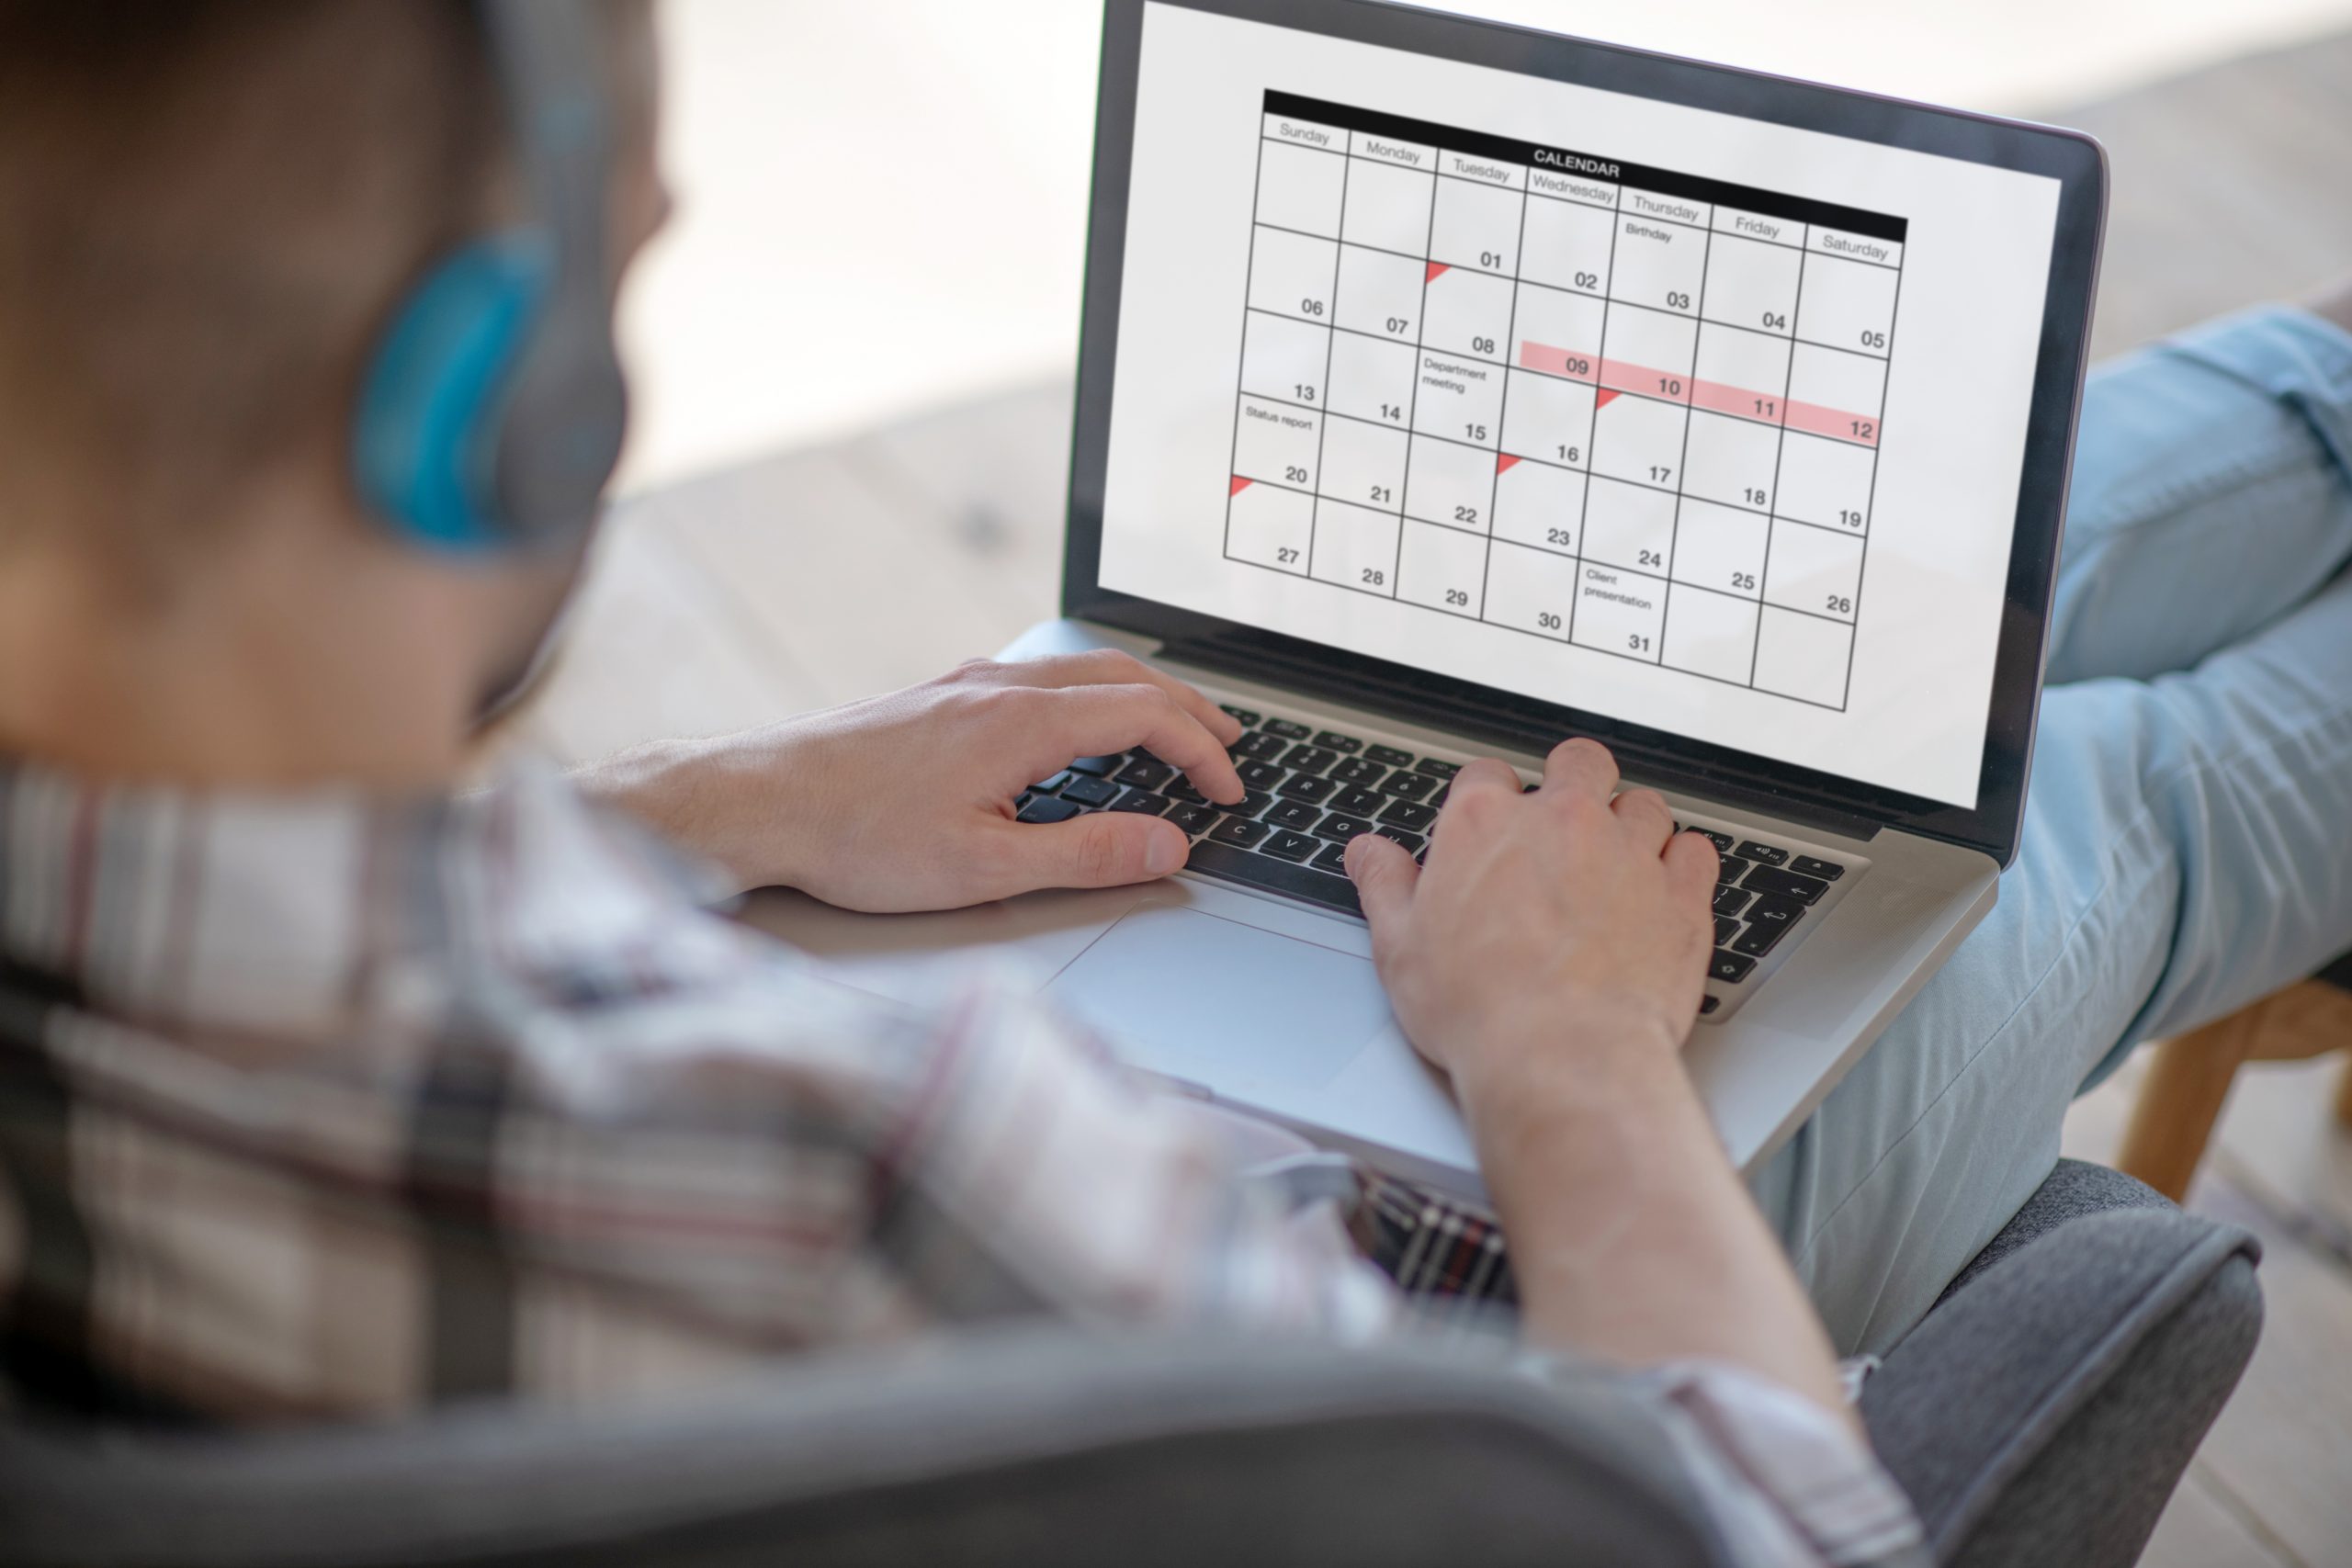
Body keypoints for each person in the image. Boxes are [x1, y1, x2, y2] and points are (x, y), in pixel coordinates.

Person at [0, 1, 2344, 1559]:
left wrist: (718, 798)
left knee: (1950, 580)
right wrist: (1567, 1051)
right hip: (1514, 1248)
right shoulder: (868, 1178)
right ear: (493, 409)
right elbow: (1759, 1529)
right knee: (2120, 790)